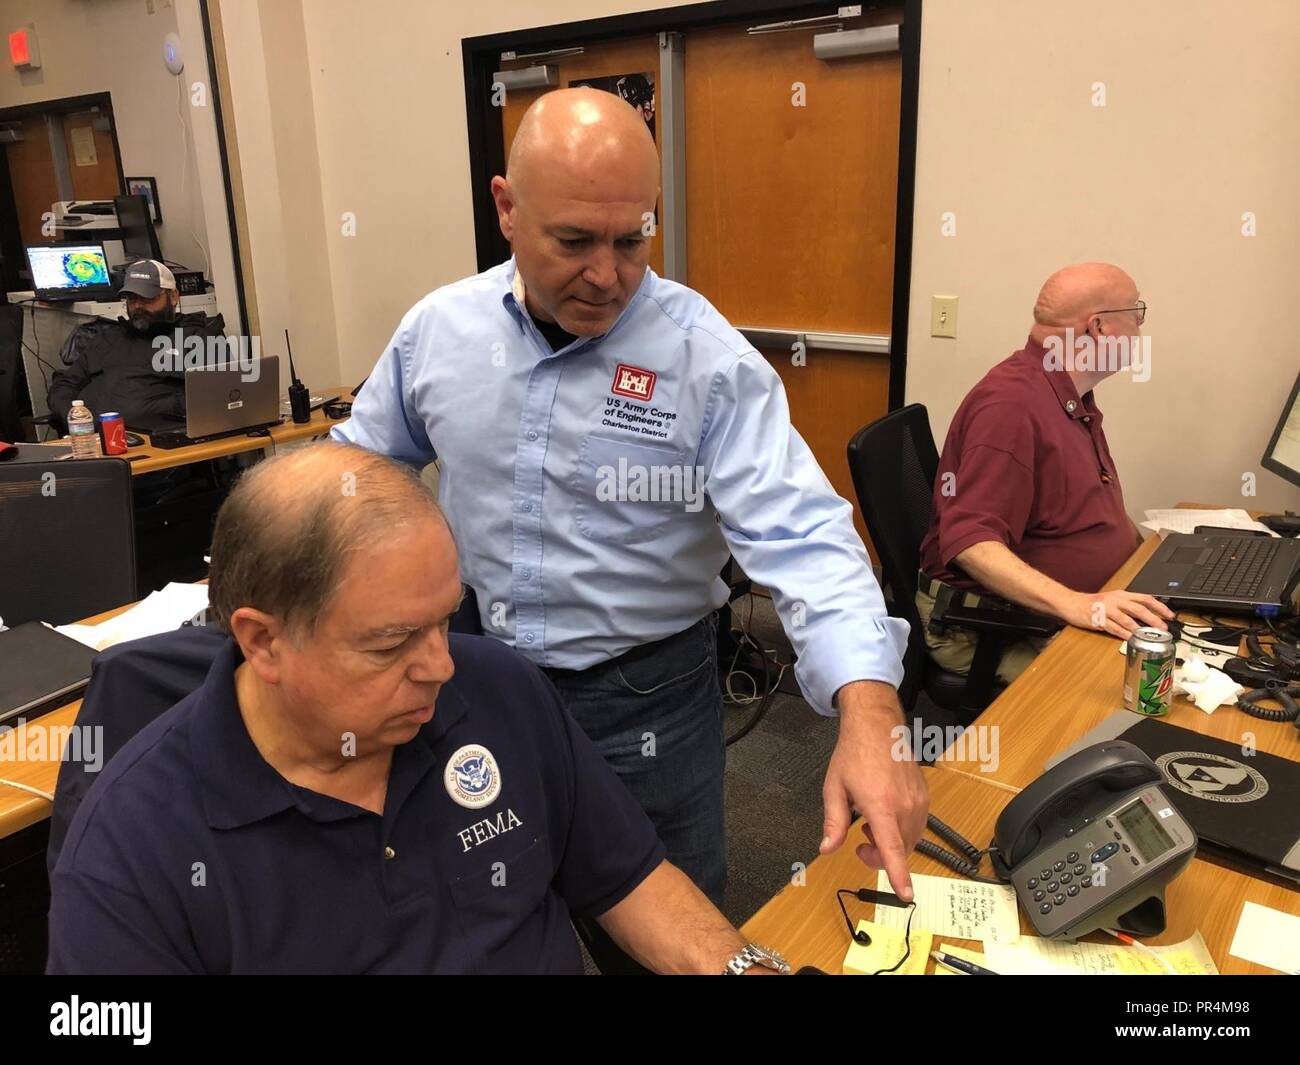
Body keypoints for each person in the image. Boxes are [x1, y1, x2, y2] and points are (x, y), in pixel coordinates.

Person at [332, 88, 928, 922]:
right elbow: (357, 471)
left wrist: (871, 711)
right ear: (506, 207)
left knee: (668, 923)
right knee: (479, 909)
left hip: (644, 698)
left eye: (632, 238)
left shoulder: (704, 360)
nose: (606, 275)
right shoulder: (440, 332)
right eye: (573, 240)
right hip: (471, 677)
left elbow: (803, 535)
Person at [47, 443, 785, 975]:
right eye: (392, 643)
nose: (440, 665)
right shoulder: (131, 849)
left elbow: (630, 878)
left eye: (445, 618)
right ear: (263, 641)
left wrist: (743, 967)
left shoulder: (498, 688)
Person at [917, 262, 1174, 683]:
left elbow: (1085, 507)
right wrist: (1077, 605)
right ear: (1100, 328)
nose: (1140, 328)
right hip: (986, 628)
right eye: (1136, 312)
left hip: (1060, 609)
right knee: (1143, 687)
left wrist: (1157, 561)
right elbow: (970, 543)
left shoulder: (1068, 394)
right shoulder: (1012, 408)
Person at [45, 260, 225, 433]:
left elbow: (217, 395)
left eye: (147, 298)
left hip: (159, 443)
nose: (138, 306)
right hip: (89, 442)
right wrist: (74, 417)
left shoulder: (196, 338)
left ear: (173, 296)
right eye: (131, 299)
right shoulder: (108, 338)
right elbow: (64, 384)